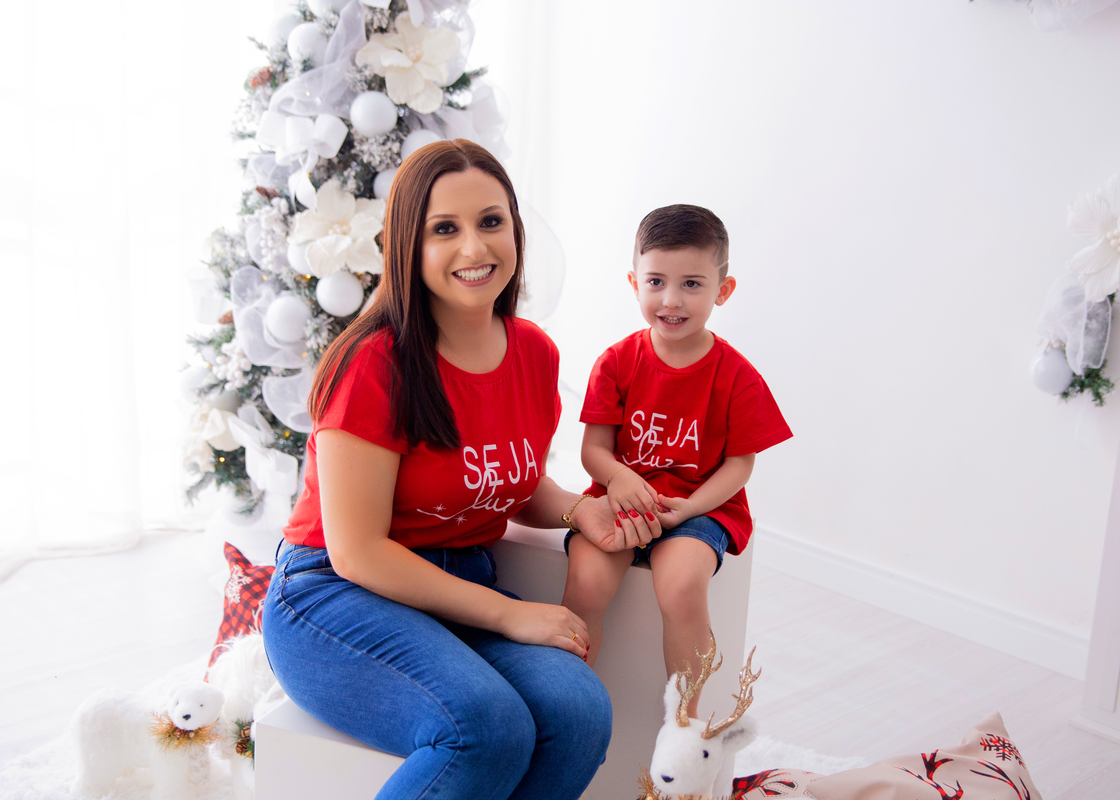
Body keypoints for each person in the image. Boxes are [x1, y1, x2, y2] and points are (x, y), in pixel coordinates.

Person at [261, 139, 659, 800]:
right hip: (335, 597)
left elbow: (504, 474)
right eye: (445, 229)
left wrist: (575, 507)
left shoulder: (533, 353)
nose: (475, 249)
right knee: (487, 726)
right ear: (408, 248)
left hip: (456, 582)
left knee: (579, 712)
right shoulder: (371, 363)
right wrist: (509, 616)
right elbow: (356, 551)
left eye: (491, 221)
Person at [561, 204, 792, 716]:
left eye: (691, 284)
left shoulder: (736, 376)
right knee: (587, 582)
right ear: (634, 282)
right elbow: (593, 450)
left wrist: (687, 511)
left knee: (681, 585)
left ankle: (685, 725)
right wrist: (620, 480)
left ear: (722, 290)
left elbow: (739, 465)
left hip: (699, 508)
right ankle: (568, 704)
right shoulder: (617, 361)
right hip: (621, 499)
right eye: (656, 281)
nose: (671, 300)